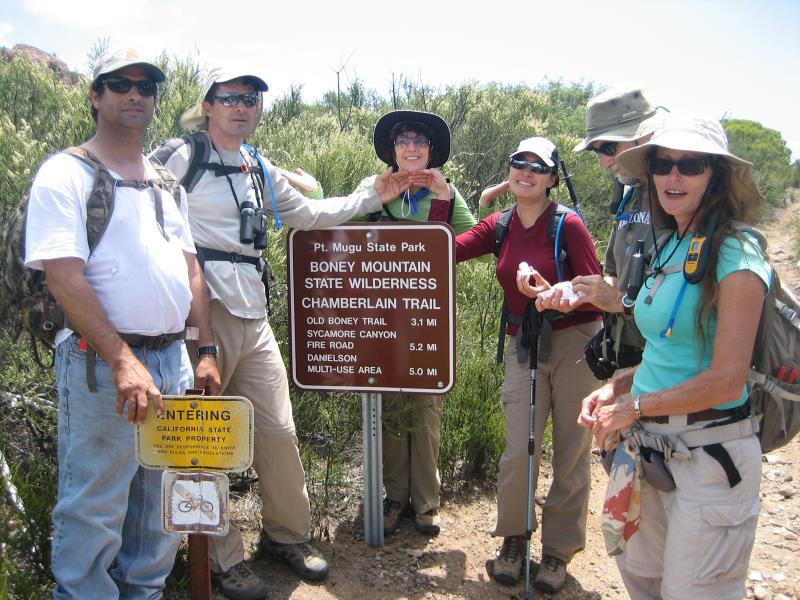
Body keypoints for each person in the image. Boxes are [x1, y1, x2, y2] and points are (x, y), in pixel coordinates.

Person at [153, 68, 410, 600]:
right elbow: (140, 210)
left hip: (252, 311)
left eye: (251, 99)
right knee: (208, 440)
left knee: (277, 431)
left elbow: (308, 214)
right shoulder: (182, 155)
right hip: (205, 311)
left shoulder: (256, 165)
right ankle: (221, 559)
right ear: (208, 104)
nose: (242, 107)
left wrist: (370, 196)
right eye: (231, 98)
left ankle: (285, 537)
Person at [24, 48, 220, 599]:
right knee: (94, 504)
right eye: (120, 84)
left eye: (147, 86)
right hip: (98, 364)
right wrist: (121, 359)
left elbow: (190, 272)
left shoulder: (164, 182)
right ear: (96, 95)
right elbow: (65, 278)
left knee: (159, 503)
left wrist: (206, 350)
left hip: (169, 360)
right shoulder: (65, 173)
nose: (135, 94)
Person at [584, 114, 768, 600]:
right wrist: (620, 386)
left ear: (717, 175)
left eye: (691, 165)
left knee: (695, 592)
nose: (673, 177)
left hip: (710, 456)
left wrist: (637, 407)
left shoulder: (737, 252)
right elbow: (672, 350)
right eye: (663, 165)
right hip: (651, 451)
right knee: (643, 580)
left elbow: (728, 380)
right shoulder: (673, 245)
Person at [455, 136, 603, 592]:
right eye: (519, 162)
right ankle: (514, 538)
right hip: (525, 343)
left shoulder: (569, 225)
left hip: (575, 340)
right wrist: (440, 196)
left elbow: (597, 289)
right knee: (519, 447)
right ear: (510, 170)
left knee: (571, 451)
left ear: (552, 178)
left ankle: (557, 553)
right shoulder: (499, 225)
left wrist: (553, 292)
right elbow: (447, 248)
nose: (527, 171)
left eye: (538, 166)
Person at [349, 110, 478, 537]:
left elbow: (468, 243)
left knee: (425, 408)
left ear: (431, 151)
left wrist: (441, 199)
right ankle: (394, 495)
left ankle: (426, 502)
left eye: (419, 142)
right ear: (392, 148)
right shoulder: (373, 187)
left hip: (428, 319)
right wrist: (375, 202)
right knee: (386, 406)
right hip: (380, 316)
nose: (411, 147)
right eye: (403, 140)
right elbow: (341, 231)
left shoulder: (447, 193)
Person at [541, 86, 665, 379]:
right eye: (599, 151)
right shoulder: (631, 196)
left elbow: (690, 300)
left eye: (610, 147)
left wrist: (621, 302)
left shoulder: (675, 196)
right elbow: (616, 275)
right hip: (627, 357)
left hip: (663, 363)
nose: (605, 161)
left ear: (645, 135)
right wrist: (579, 291)